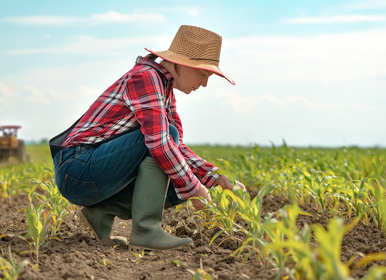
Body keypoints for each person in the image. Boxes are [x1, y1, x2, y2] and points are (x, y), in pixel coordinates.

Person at [49, 25, 246, 252]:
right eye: (203, 74)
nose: (204, 83)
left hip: (92, 171)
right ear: (181, 64)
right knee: (169, 152)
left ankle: (101, 213)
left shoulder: (164, 87)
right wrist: (196, 190)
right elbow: (161, 143)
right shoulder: (146, 77)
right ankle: (146, 232)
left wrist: (216, 178)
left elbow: (176, 147)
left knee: (178, 173)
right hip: (77, 170)